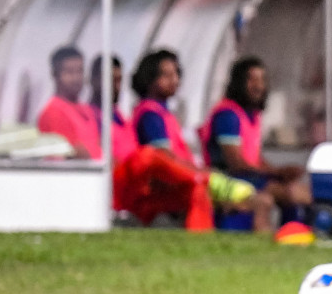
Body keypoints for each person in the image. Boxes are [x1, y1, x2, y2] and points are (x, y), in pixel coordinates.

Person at [120, 50, 250, 231]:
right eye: (167, 75)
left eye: (176, 74)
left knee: (248, 199)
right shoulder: (150, 115)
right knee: (251, 200)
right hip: (169, 186)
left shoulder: (164, 113)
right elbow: (165, 162)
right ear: (149, 78)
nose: (175, 80)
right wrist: (203, 175)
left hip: (186, 178)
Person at [200, 56, 311, 233]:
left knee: (298, 191)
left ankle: (294, 233)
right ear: (239, 83)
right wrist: (277, 173)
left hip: (248, 176)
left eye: (262, 79)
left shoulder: (252, 115)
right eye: (252, 79)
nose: (258, 85)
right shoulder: (228, 115)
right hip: (228, 178)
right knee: (291, 193)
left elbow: (255, 158)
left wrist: (281, 174)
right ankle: (287, 235)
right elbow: (235, 164)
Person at [35, 46, 101, 159]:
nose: (76, 78)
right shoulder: (53, 112)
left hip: (95, 174)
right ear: (55, 75)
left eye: (80, 71)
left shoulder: (87, 110)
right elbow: (66, 155)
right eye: (69, 72)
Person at [89, 55, 135, 165]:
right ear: (94, 80)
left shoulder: (121, 117)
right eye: (111, 80)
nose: (116, 86)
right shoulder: (90, 118)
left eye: (119, 80)